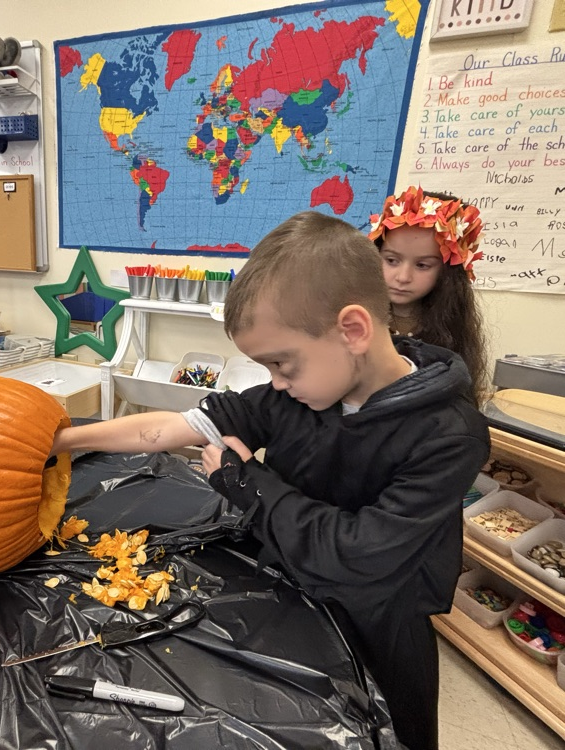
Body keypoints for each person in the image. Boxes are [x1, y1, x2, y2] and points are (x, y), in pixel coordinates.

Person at [49, 211, 490, 750]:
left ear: (352, 330)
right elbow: (165, 428)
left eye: (283, 364)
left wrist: (249, 482)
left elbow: (357, 555)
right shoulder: (299, 392)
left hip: (375, 625)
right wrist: (62, 440)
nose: (275, 382)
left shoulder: (449, 434)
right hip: (287, 595)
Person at [367, 185, 488, 404]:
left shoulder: (450, 332)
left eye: (422, 265)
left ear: (447, 272)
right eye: (391, 260)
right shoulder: (357, 316)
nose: (403, 277)